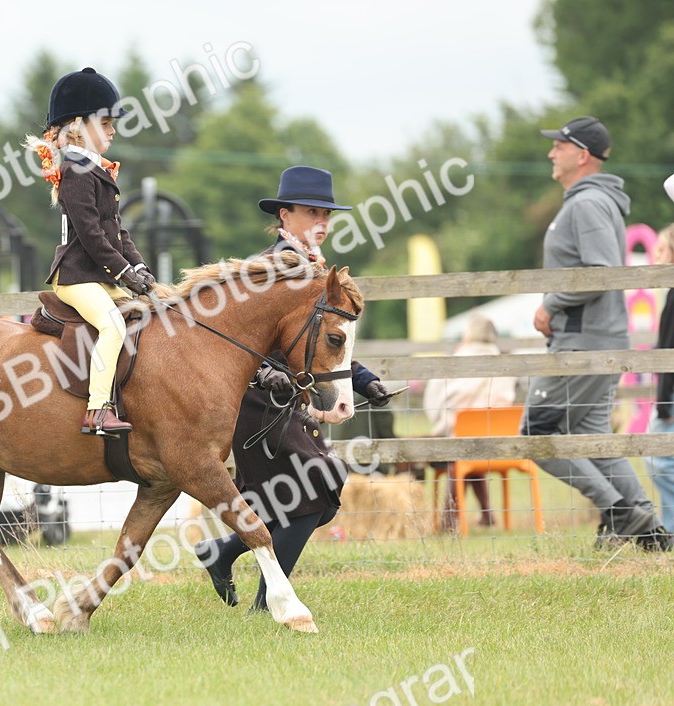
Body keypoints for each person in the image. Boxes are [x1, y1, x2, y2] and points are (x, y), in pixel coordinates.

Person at [194, 167, 387, 611]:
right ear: (285, 215)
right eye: (311, 212)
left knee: (312, 502)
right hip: (258, 401)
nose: (322, 221)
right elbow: (239, 337)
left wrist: (364, 380)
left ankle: (223, 554)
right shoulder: (270, 269)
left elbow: (319, 344)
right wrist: (268, 375)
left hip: (285, 403)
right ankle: (266, 599)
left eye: (326, 214)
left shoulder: (313, 270)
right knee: (316, 488)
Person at [522, 116, 669, 551]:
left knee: (537, 433)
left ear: (581, 155)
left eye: (559, 146)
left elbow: (600, 273)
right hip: (597, 337)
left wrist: (550, 304)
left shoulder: (586, 204)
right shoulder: (592, 202)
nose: (551, 153)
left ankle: (620, 512)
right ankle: (652, 536)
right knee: (596, 440)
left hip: (583, 340)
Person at [27, 67, 155, 437]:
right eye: (105, 121)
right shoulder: (76, 171)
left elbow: (117, 230)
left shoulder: (97, 170)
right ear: (79, 124)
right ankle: (98, 410)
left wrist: (140, 267)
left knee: (147, 315)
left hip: (98, 274)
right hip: (77, 275)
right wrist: (124, 273)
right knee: (113, 326)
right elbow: (92, 235)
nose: (113, 130)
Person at [423, 315, 518, 528]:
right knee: (472, 449)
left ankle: (449, 520)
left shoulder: (455, 361)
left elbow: (433, 401)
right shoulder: (505, 364)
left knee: (462, 452)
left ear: (469, 333)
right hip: (499, 443)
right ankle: (486, 514)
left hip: (459, 439)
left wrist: (441, 421)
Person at [646, 224, 674, 533]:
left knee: (660, 461)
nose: (655, 259)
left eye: (661, 252)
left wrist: (664, 404)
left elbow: (668, 353)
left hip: (671, 396)